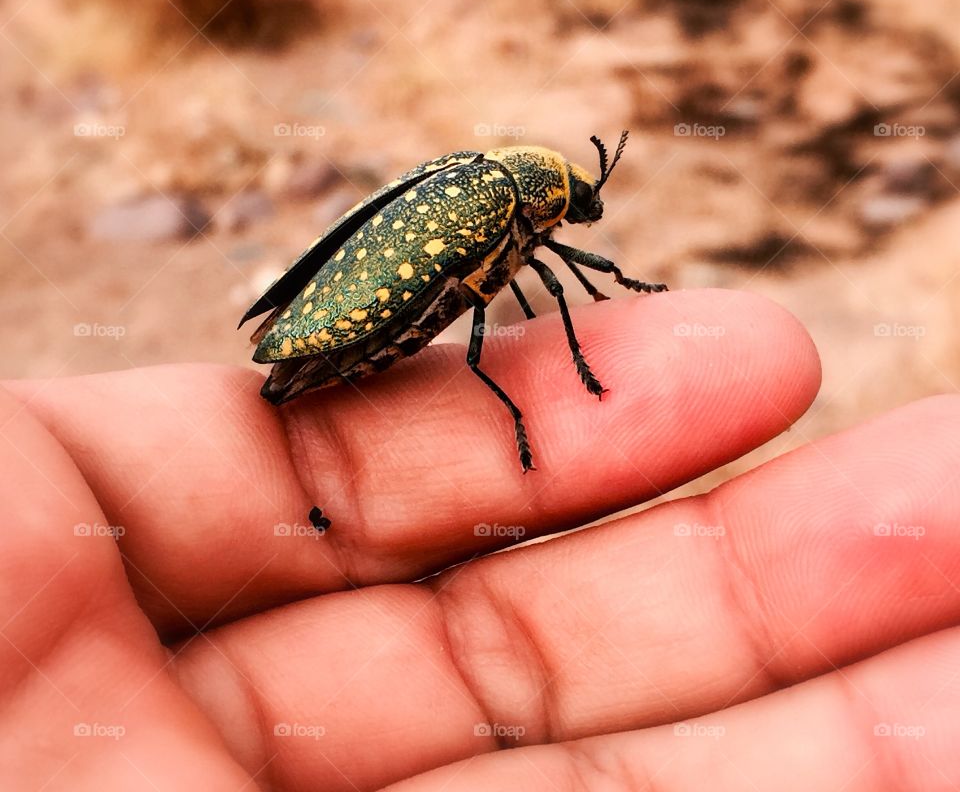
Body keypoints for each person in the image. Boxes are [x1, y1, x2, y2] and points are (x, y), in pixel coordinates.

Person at [3, 289, 957, 790]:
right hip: (345, 343)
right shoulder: (501, 218)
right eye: (577, 198)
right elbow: (532, 285)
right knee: (470, 337)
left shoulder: (498, 202)